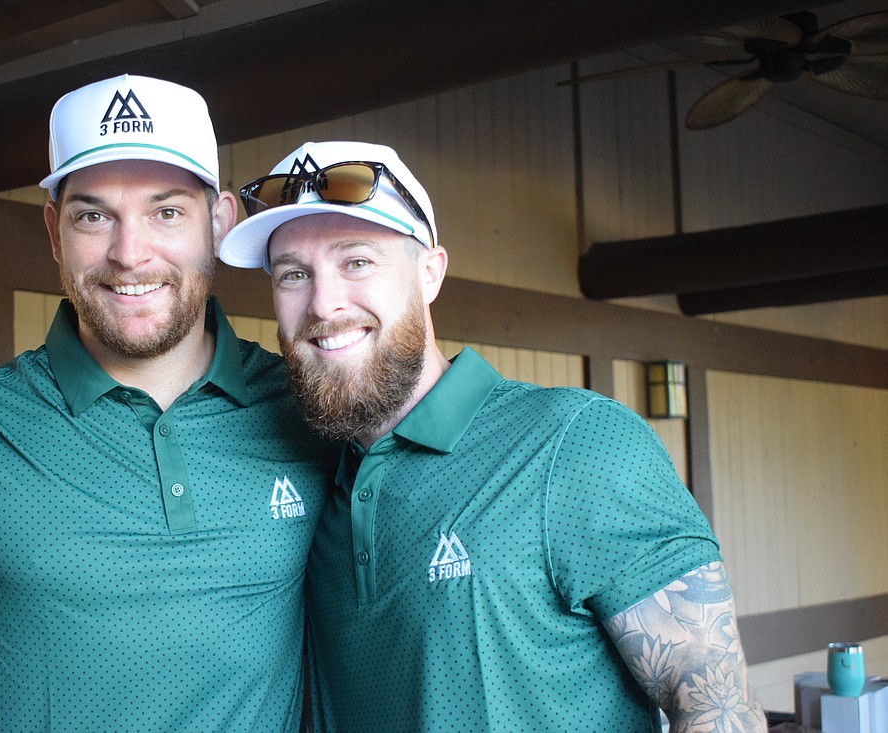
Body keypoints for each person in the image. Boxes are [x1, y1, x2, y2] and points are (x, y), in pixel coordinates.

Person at [0, 75, 335, 732]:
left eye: (166, 212)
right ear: (54, 230)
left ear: (218, 221)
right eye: (93, 216)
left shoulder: (309, 416)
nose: (129, 254)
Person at [218, 140, 767, 732]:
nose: (323, 304)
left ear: (430, 273)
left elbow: (716, 705)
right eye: (294, 274)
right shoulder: (315, 480)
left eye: (357, 262)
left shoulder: (578, 442)